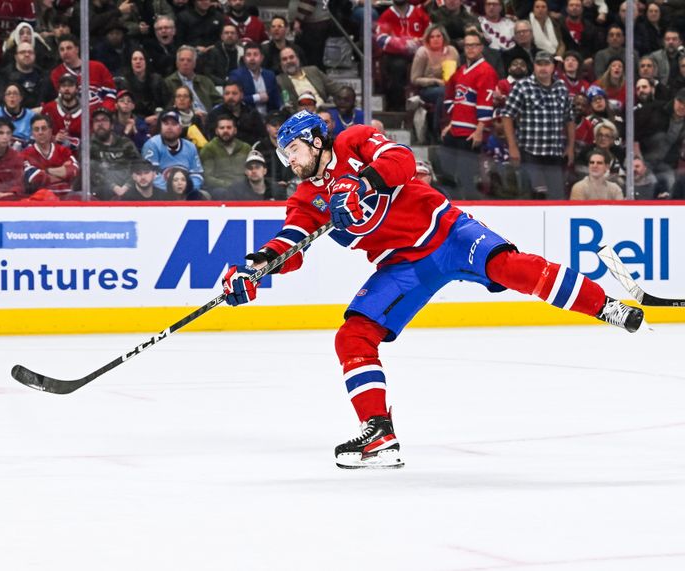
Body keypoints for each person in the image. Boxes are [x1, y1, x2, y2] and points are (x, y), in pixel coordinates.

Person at [220, 110, 644, 469]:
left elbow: (402, 161)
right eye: (284, 153)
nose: (288, 160)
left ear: (314, 142)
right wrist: (253, 268)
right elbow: (289, 245)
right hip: (404, 264)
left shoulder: (353, 141)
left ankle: (606, 306)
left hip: (447, 231)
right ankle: (379, 435)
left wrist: (362, 183)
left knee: (509, 267)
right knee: (353, 336)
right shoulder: (306, 199)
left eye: (292, 150)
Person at [502, 50, 574, 200]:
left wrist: (570, 146)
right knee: (529, 195)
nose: (543, 68)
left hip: (554, 153)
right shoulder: (522, 86)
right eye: (539, 64)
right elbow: (507, 115)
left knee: (557, 196)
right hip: (529, 152)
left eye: (546, 64)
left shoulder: (561, 87)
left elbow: (569, 118)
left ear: (553, 66)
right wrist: (513, 146)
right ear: (533, 66)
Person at [439, 30, 498, 199]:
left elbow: (486, 104)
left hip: (471, 133)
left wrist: (480, 130)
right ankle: (451, 205)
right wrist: (451, 123)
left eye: (474, 45)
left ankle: (470, 208)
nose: (470, 48)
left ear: (481, 48)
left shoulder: (486, 71)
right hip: (456, 130)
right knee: (448, 172)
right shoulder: (462, 70)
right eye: (467, 45)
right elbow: (453, 97)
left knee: (467, 176)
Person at [375, 0, 429, 111]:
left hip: (420, 54)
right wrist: (402, 44)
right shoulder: (387, 15)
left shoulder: (419, 13)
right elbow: (380, 39)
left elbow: (431, 33)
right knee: (397, 66)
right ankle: (397, 106)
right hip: (395, 56)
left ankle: (423, 103)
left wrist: (418, 43)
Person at [141, 109, 205, 192]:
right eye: (166, 124)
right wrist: (172, 190)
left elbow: (197, 175)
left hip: (186, 192)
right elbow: (150, 174)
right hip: (160, 194)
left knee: (204, 195)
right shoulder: (152, 145)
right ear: (160, 127)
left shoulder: (190, 147)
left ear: (180, 128)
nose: (169, 127)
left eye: (174, 124)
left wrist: (187, 188)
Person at [50, 34, 117, 111]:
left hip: (101, 117)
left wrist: (103, 112)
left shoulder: (98, 67)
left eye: (69, 48)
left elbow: (110, 94)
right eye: (62, 49)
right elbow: (63, 101)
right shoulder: (56, 73)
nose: (65, 52)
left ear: (77, 49)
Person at [90, 107, 142, 201]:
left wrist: (127, 186)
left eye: (104, 120)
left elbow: (138, 165)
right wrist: (113, 187)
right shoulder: (88, 145)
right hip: (101, 190)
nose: (100, 124)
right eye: (96, 121)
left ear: (112, 125)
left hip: (127, 188)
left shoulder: (125, 143)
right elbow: (89, 169)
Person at [22, 114, 79, 198]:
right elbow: (35, 178)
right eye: (36, 129)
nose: (40, 132)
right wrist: (62, 174)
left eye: (44, 128)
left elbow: (74, 171)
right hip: (40, 199)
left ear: (51, 131)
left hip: (67, 197)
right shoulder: (25, 154)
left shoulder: (63, 151)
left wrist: (46, 171)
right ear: (32, 133)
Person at [277, 46, 342, 110]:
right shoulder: (279, 81)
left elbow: (337, 89)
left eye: (291, 57)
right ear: (281, 63)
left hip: (323, 110)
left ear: (298, 58)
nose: (289, 61)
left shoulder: (313, 71)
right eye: (284, 59)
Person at [199, 114, 251, 193]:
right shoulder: (208, 149)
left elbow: (253, 171)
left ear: (235, 130)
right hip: (220, 189)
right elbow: (207, 177)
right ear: (216, 131)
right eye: (222, 128)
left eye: (229, 127)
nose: (225, 131)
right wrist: (228, 185)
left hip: (243, 188)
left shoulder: (246, 148)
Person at [164, 45, 222, 114]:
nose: (185, 63)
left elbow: (219, 101)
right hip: (185, 120)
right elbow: (168, 107)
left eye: (189, 60)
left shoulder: (205, 81)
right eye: (182, 60)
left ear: (194, 63)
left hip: (208, 119)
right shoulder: (168, 82)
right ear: (177, 63)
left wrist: (214, 114)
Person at [0, 41, 49, 109]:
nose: (27, 55)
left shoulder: (44, 77)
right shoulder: (4, 77)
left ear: (35, 56)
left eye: (30, 52)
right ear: (16, 57)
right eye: (22, 52)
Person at [205, 80, 266, 145]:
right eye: (227, 93)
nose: (230, 97)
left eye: (234, 93)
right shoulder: (214, 115)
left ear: (241, 95)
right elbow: (212, 140)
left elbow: (261, 137)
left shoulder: (252, 113)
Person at [228, 42, 281, 115]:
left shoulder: (270, 75)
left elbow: (276, 98)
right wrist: (257, 97)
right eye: (248, 55)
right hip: (246, 117)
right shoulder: (237, 75)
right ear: (244, 58)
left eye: (255, 55)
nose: (252, 58)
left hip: (270, 117)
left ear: (262, 58)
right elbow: (234, 99)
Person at [0, 82, 36, 149]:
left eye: (15, 93)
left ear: (21, 98)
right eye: (8, 94)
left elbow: (34, 142)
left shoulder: (32, 117)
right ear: (4, 98)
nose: (12, 96)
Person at [40, 72, 82, 151]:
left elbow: (92, 139)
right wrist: (53, 138)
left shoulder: (86, 110)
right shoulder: (49, 109)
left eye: (70, 85)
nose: (66, 89)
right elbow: (39, 135)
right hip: (53, 154)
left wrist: (76, 142)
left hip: (79, 157)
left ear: (77, 89)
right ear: (59, 89)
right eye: (63, 86)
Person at [200, 22, 243, 87]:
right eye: (226, 33)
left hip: (239, 85)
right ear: (222, 36)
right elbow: (208, 74)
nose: (229, 35)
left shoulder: (242, 52)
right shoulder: (213, 52)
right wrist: (225, 83)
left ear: (237, 36)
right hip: (219, 86)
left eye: (232, 33)